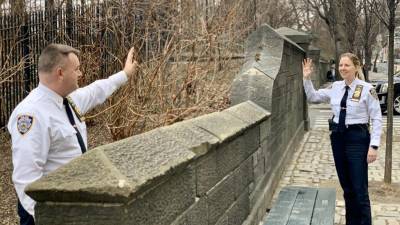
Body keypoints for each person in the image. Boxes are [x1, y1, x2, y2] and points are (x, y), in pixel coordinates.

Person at [7, 44, 138, 225]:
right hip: (47, 213)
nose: (81, 74)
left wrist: (125, 73)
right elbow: (26, 179)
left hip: (68, 205)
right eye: (76, 69)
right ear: (60, 73)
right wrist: (47, 218)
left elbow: (96, 90)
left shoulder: (66, 100)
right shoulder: (32, 114)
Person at [302, 53, 382, 225]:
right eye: (340, 65)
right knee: (347, 188)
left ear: (356, 67)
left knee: (359, 189)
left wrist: (374, 146)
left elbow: (376, 118)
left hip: (357, 139)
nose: (342, 68)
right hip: (338, 138)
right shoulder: (336, 87)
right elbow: (313, 97)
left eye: (346, 65)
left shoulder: (367, 89)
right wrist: (306, 79)